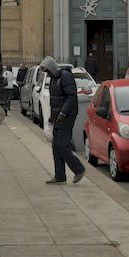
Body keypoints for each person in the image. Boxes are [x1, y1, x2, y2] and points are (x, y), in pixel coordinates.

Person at [39, 56, 85, 185]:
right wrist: (53, 116)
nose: (46, 73)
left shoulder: (65, 77)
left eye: (47, 70)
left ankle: (79, 169)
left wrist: (63, 113)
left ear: (51, 68)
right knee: (55, 146)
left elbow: (71, 96)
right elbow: (55, 100)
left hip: (67, 116)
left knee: (62, 146)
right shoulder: (53, 79)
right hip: (59, 116)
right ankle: (60, 176)